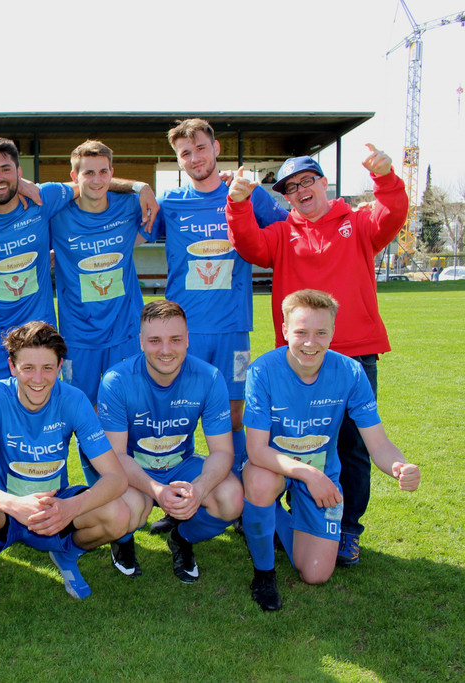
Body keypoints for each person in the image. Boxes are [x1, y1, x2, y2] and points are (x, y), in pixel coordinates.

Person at [226, 144, 409, 566]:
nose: (301, 190)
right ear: (286, 197)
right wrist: (237, 202)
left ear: (324, 183)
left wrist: (385, 178)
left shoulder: (357, 223)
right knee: (278, 442)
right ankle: (268, 512)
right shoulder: (282, 234)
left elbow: (392, 214)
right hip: (293, 360)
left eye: (307, 180)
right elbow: (248, 243)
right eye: (291, 187)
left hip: (354, 355)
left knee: (352, 448)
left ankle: (346, 529)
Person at [148, 120, 289, 540]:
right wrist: (137, 188)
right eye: (185, 154)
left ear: (216, 148)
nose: (195, 158)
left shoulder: (242, 195)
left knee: (234, 414)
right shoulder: (171, 204)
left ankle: (247, 503)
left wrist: (254, 189)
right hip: (182, 332)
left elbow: (287, 221)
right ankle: (179, 502)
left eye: (201, 149)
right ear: (178, 160)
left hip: (230, 328)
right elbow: (127, 220)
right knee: (178, 416)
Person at [240, 289, 420, 611]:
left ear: (333, 332)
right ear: (284, 331)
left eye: (321, 333)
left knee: (316, 574)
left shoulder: (350, 372)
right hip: (273, 466)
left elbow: (377, 443)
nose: (311, 343)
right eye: (301, 333)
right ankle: (263, 574)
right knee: (260, 483)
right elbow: (256, 450)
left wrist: (399, 466)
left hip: (322, 474)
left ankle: (270, 517)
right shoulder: (262, 371)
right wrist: (309, 474)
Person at [0, 321, 130, 601]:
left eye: (47, 368)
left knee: (119, 516)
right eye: (28, 368)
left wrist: (71, 507)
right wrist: (15, 505)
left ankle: (67, 556)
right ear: (12, 367)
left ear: (60, 368)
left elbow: (116, 478)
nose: (38, 379)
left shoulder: (74, 400)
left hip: (54, 508)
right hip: (4, 507)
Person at [0, 136, 157, 389]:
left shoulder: (43, 200)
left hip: (40, 329)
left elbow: (91, 183)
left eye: (6, 170)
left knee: (51, 406)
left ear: (19, 173)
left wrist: (140, 187)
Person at [97, 300, 243, 582]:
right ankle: (123, 540)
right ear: (141, 342)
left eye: (175, 339)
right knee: (126, 510)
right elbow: (115, 456)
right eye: (155, 341)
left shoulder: (209, 378)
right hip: (131, 468)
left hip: (180, 465)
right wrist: (156, 490)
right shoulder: (117, 380)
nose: (166, 350)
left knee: (232, 498)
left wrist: (198, 490)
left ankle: (182, 537)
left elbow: (223, 452)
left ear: (188, 339)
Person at [50, 140, 148, 405]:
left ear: (112, 173)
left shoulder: (129, 206)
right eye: (88, 173)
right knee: (83, 411)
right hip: (78, 334)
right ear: (74, 177)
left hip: (125, 329)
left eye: (103, 172)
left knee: (128, 405)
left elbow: (148, 229)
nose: (97, 180)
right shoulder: (57, 215)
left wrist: (141, 187)